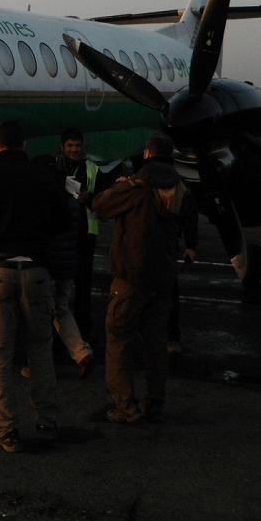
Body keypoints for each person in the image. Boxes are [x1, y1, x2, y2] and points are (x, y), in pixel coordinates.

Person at [0, 120, 75, 452]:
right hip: (36, 271)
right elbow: (64, 223)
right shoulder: (43, 178)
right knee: (39, 350)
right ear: (24, 145)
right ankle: (48, 421)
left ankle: (6, 430)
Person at [91, 132, 197, 424]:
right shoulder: (180, 188)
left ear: (148, 154)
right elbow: (191, 219)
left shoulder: (135, 187)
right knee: (156, 344)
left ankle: (126, 405)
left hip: (130, 277)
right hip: (163, 278)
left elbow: (100, 207)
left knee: (119, 340)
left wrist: (113, 188)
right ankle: (155, 402)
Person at [39, 146, 96, 379]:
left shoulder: (45, 199)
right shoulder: (71, 196)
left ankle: (39, 365)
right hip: (68, 264)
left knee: (40, 315)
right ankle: (81, 353)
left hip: (49, 265)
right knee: (61, 309)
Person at [49, 128, 108, 344]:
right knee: (57, 284)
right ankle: (58, 328)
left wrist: (89, 198)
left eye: (77, 146)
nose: (74, 150)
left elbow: (104, 200)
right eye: (70, 146)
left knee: (83, 284)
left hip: (84, 234)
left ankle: (83, 327)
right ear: (62, 147)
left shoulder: (92, 169)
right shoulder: (53, 168)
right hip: (61, 235)